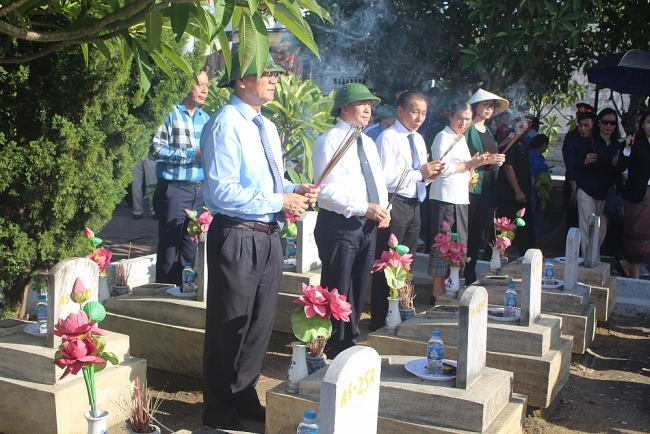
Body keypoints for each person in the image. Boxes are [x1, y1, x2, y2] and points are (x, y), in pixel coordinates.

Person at [200, 52, 318, 431]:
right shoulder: (225, 124)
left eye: (275, 73)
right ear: (240, 81)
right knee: (228, 325)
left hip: (268, 237)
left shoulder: (265, 125)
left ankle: (244, 396)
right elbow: (223, 191)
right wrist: (279, 200)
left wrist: (294, 188)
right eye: (265, 73)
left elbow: (268, 183)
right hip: (237, 234)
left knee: (258, 325)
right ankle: (219, 410)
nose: (274, 79)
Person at [312, 83, 390, 358]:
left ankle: (349, 341)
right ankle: (332, 344)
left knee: (358, 285)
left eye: (370, 105)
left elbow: (377, 180)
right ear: (344, 108)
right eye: (361, 104)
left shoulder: (367, 141)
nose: (368, 110)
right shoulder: (329, 140)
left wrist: (384, 208)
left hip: (366, 224)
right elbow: (324, 191)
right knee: (337, 286)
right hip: (340, 224)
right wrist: (363, 207)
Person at [370, 90, 444, 330]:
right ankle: (380, 317)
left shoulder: (418, 139)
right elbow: (383, 178)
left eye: (423, 113)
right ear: (400, 110)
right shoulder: (388, 138)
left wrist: (430, 176)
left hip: (415, 204)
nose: (419, 118)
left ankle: (401, 310)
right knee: (387, 261)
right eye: (414, 112)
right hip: (395, 204)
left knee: (406, 262)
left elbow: (419, 175)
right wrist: (419, 173)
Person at [150, 68, 210, 285]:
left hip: (199, 192)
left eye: (207, 85)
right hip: (174, 190)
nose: (204, 90)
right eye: (199, 84)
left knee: (191, 246)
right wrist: (192, 154)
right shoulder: (169, 113)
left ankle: (185, 291)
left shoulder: (206, 119)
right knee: (169, 248)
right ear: (187, 85)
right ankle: (165, 293)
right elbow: (155, 149)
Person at [428, 100, 486, 304]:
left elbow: (464, 168)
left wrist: (474, 165)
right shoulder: (443, 137)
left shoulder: (460, 138)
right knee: (442, 246)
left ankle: (451, 292)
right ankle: (437, 295)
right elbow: (442, 169)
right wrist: (469, 163)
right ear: (450, 117)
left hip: (461, 198)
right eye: (459, 118)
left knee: (458, 246)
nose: (463, 122)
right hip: (444, 198)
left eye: (467, 119)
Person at [463, 89, 508, 284]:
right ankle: (461, 273)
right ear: (475, 107)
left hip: (486, 185)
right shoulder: (467, 128)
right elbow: (463, 158)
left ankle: (470, 273)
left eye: (491, 106)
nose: (489, 109)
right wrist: (487, 160)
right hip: (470, 186)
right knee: (466, 230)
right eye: (485, 105)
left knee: (478, 231)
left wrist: (496, 161)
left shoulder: (489, 129)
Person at [574, 108, 627, 262]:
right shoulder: (589, 142)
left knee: (601, 229)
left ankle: (593, 259)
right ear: (599, 123)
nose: (608, 125)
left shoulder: (618, 146)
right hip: (587, 190)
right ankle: (591, 262)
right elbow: (575, 165)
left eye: (612, 123)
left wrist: (618, 164)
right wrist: (586, 161)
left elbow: (618, 172)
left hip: (605, 194)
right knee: (587, 227)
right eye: (605, 122)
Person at [614, 109, 650, 279]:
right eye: (649, 122)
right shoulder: (635, 142)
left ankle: (625, 266)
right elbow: (620, 167)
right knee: (636, 235)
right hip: (638, 195)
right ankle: (634, 276)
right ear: (642, 124)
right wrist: (627, 148)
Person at [495, 116, 536, 256]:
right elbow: (508, 167)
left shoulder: (521, 139)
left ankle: (527, 257)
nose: (530, 124)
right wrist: (517, 190)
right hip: (511, 194)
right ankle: (494, 257)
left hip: (524, 192)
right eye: (527, 120)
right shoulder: (511, 138)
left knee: (526, 229)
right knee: (504, 228)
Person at [563, 103, 595, 234]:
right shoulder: (572, 138)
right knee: (574, 224)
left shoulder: (596, 140)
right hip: (574, 185)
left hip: (593, 187)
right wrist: (574, 188)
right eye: (581, 123)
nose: (583, 128)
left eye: (586, 124)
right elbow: (570, 165)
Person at [529, 134, 551, 241]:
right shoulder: (531, 154)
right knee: (531, 215)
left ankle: (535, 240)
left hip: (540, 189)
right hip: (531, 189)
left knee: (538, 218)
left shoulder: (542, 158)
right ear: (543, 144)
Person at [131, 155, 158, 220]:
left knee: (136, 183)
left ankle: (137, 210)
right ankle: (154, 210)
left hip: (136, 153)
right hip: (150, 154)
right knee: (152, 182)